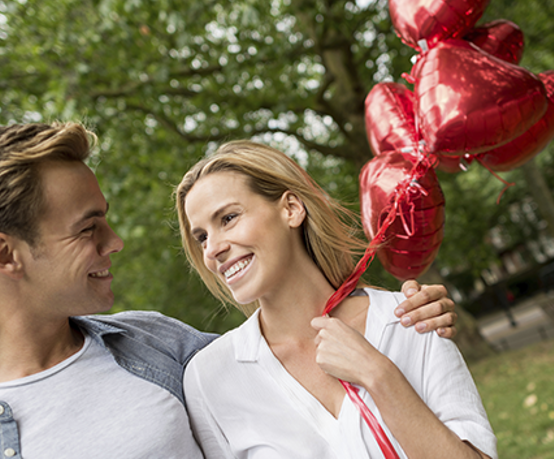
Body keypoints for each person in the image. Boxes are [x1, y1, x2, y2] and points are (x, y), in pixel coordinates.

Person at [0, 122, 458, 458]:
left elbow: (284, 352)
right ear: (5, 255)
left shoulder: (160, 348)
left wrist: (394, 314)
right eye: (88, 228)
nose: (116, 241)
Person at [176, 140, 496, 458]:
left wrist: (379, 376)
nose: (213, 249)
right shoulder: (210, 378)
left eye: (228, 218)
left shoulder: (410, 319)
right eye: (202, 237)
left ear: (291, 209)